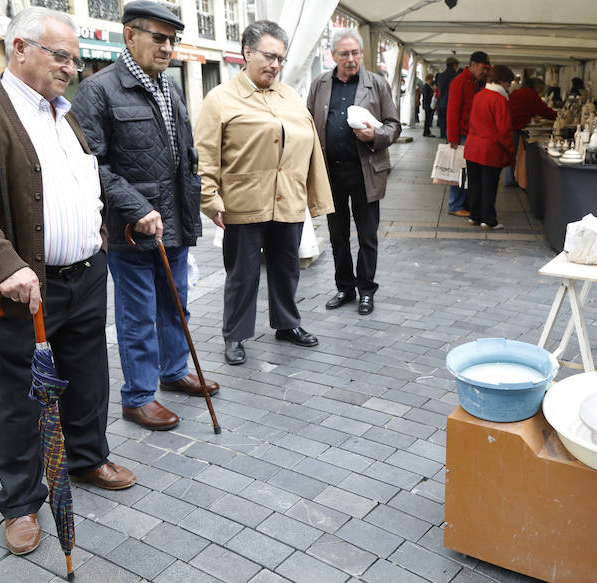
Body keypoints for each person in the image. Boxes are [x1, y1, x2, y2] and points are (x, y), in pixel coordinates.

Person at [0, 7, 135, 557]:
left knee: (89, 376)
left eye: (74, 58)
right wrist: (2, 262)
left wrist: (117, 221)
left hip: (86, 273)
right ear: (19, 48)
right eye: (59, 55)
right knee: (21, 396)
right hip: (21, 286)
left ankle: (86, 458)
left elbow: (83, 178)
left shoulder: (66, 113)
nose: (71, 67)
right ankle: (20, 500)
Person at [71, 0, 215, 432]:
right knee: (137, 316)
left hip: (175, 223)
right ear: (130, 35)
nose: (168, 46)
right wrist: (138, 210)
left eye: (173, 39)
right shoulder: (98, 90)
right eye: (159, 37)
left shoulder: (167, 87)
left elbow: (182, 158)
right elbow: (92, 164)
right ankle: (137, 397)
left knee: (176, 305)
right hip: (131, 230)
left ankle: (173, 372)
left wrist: (196, 205)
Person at [195, 20, 333, 366]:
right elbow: (205, 154)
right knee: (242, 274)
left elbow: (311, 146)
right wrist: (210, 200)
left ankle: (287, 324)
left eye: (280, 59)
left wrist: (315, 197)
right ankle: (236, 335)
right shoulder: (220, 99)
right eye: (268, 56)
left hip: (288, 200)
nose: (275, 64)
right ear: (246, 53)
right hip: (242, 203)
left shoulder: (289, 95)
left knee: (287, 268)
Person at [307, 28, 401, 317]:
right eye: (344, 54)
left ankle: (366, 290)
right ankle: (344, 287)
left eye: (356, 53)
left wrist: (374, 135)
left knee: (367, 235)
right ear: (332, 55)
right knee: (337, 235)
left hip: (366, 172)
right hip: (331, 172)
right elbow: (308, 122)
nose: (351, 59)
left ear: (362, 53)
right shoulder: (320, 83)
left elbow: (394, 125)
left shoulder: (377, 83)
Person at [464, 65, 515, 230]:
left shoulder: (479, 95)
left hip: (473, 147)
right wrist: (510, 148)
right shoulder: (499, 99)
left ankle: (474, 216)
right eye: (508, 83)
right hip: (490, 149)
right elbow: (504, 129)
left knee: (475, 185)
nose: (509, 87)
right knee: (489, 186)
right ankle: (488, 220)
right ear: (501, 81)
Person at [446, 51, 491, 217]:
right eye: (483, 68)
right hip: (461, 135)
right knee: (459, 170)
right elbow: (453, 111)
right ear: (473, 65)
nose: (485, 71)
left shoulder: (474, 82)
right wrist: (452, 137)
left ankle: (463, 203)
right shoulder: (460, 82)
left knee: (466, 171)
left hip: (471, 134)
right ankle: (455, 205)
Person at [505, 77, 557, 186]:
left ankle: (511, 178)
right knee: (512, 153)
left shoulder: (519, 92)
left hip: (510, 124)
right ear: (537, 86)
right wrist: (557, 116)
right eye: (541, 89)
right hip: (514, 125)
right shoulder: (531, 95)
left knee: (511, 153)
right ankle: (510, 179)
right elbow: (543, 110)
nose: (542, 91)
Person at [434, 56, 458, 142]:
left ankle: (443, 134)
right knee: (451, 122)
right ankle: (449, 138)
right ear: (454, 65)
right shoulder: (456, 76)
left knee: (443, 120)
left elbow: (440, 89)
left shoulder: (441, 76)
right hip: (452, 103)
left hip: (442, 102)